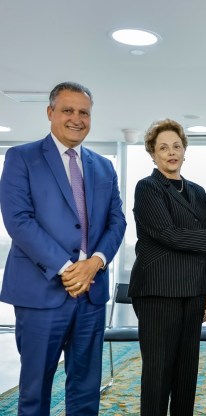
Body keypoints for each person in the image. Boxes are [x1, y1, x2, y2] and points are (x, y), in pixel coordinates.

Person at [0, 81, 126, 415]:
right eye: (67, 110)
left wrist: (95, 262)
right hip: (41, 293)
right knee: (35, 391)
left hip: (91, 293)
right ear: (50, 112)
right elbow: (18, 220)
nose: (76, 119)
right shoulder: (22, 157)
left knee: (86, 389)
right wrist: (69, 269)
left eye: (84, 112)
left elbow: (117, 222)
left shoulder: (103, 166)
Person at [128, 119, 206, 415]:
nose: (171, 153)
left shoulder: (197, 191)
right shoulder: (147, 187)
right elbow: (168, 234)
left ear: (185, 150)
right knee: (158, 373)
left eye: (176, 146)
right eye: (163, 148)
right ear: (152, 154)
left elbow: (202, 248)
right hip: (158, 292)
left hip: (193, 292)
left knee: (187, 373)